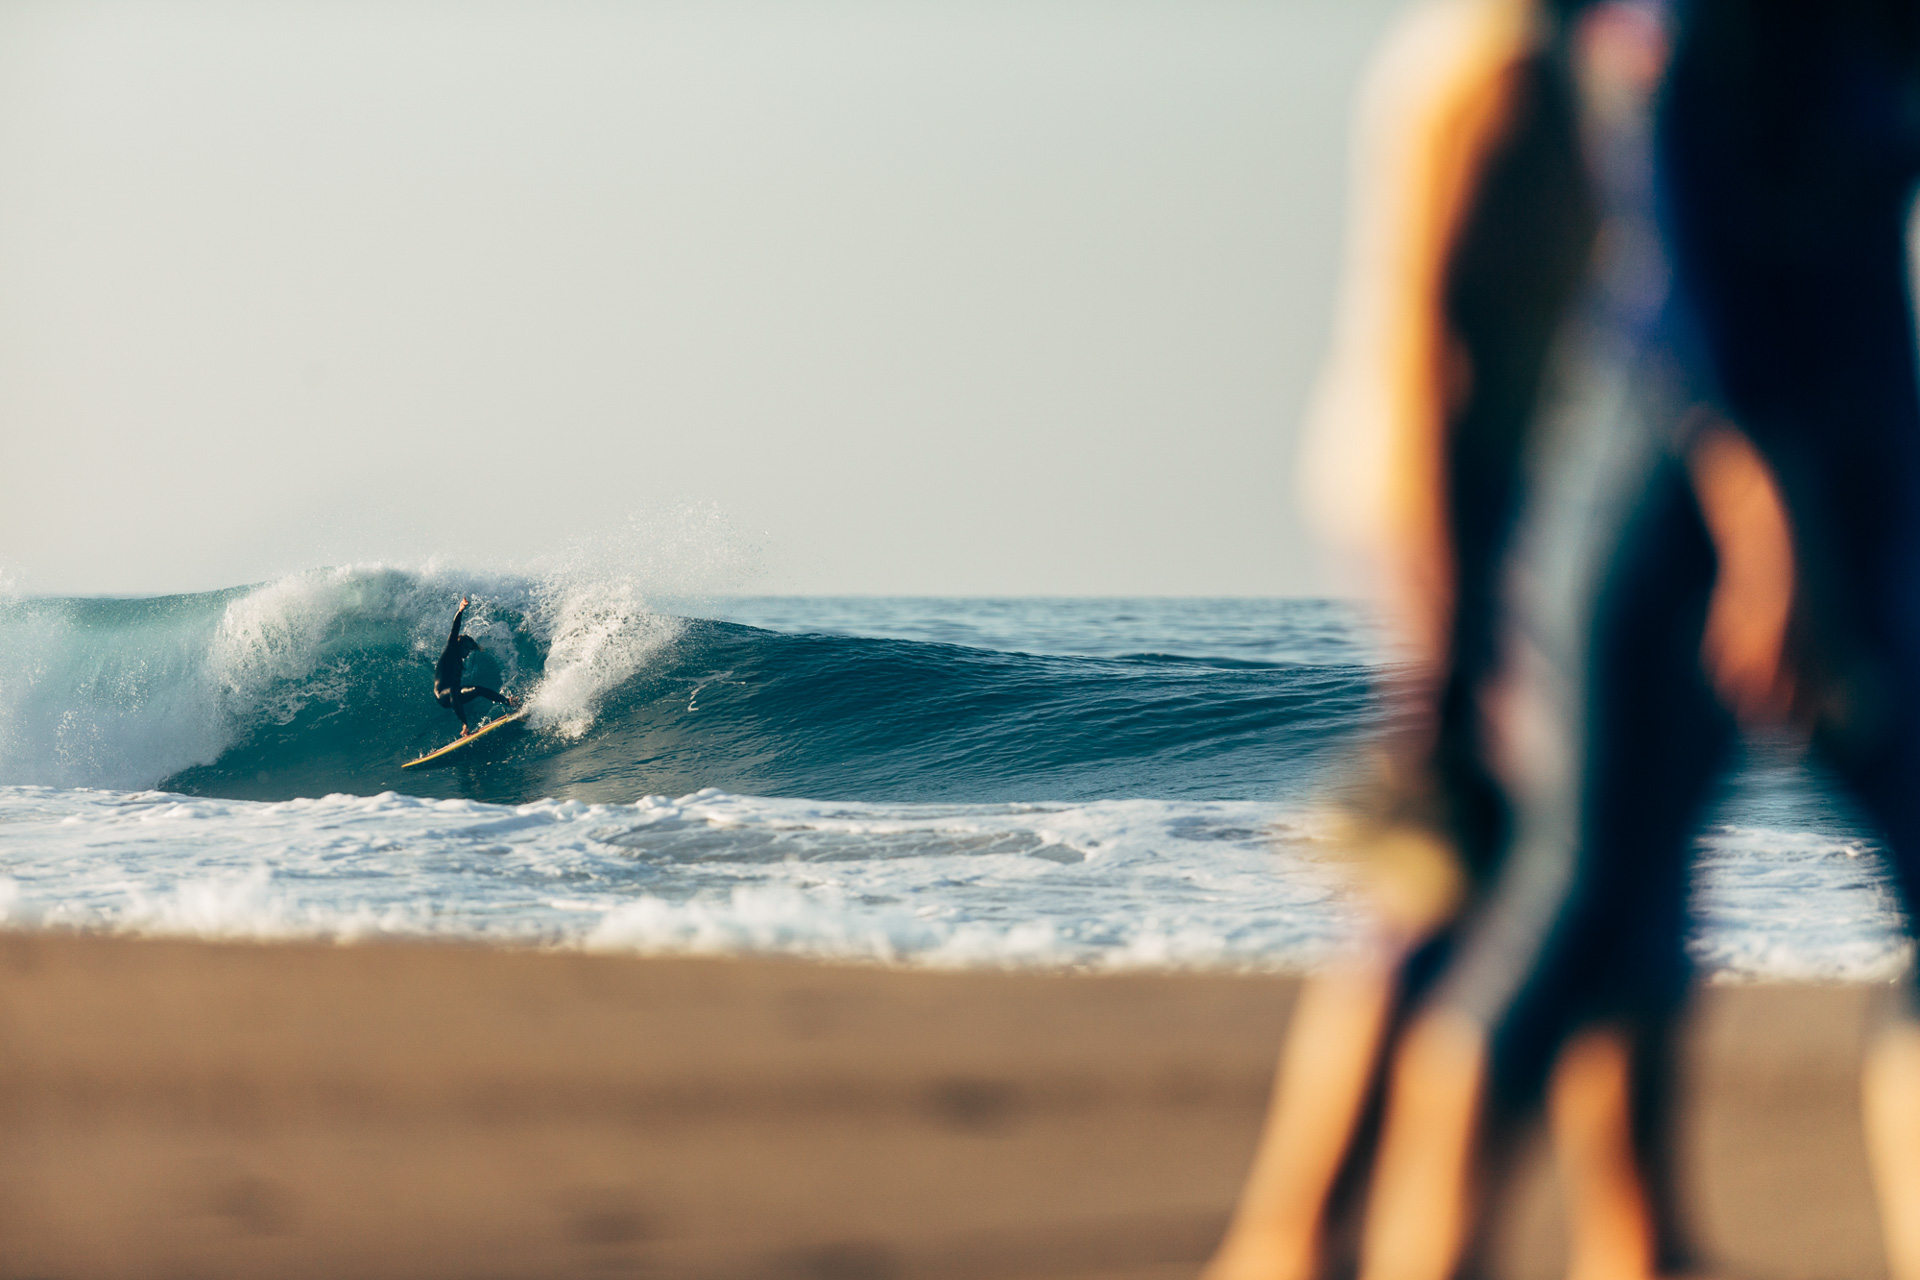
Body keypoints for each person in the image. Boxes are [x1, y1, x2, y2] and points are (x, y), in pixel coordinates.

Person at [435, 596, 517, 737]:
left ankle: (507, 702)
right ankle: (465, 726)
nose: (468, 652)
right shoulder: (450, 651)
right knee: (454, 689)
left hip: (455, 694)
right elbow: (454, 630)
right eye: (466, 648)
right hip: (442, 695)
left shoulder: (460, 660)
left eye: (469, 649)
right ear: (458, 646)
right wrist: (460, 610)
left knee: (477, 689)